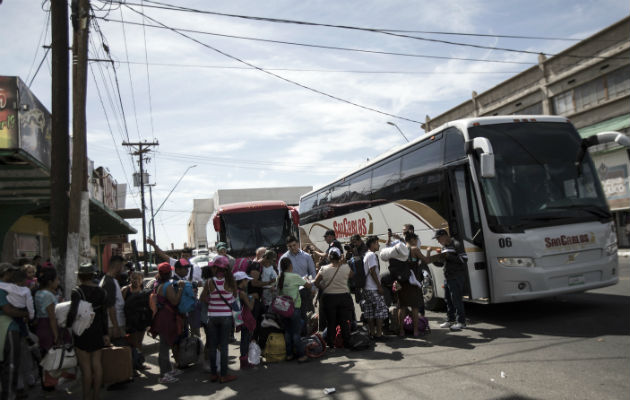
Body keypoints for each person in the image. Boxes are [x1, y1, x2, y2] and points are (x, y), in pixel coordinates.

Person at [66, 263, 109, 400]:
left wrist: (66, 326)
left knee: (86, 369)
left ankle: (86, 397)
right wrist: (105, 333)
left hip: (82, 331)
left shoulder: (77, 291)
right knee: (97, 365)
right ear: (93, 275)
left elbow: (72, 313)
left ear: (80, 276)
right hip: (97, 330)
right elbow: (104, 314)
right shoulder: (102, 291)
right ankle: (96, 396)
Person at [200, 256, 237, 384]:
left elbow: (202, 298)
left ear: (216, 268)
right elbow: (234, 298)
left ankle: (214, 374)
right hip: (226, 317)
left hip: (212, 317)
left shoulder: (209, 282)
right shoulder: (231, 281)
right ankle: (224, 374)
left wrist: (212, 301)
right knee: (224, 346)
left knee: (213, 346)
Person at [150, 262, 186, 384]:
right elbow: (175, 301)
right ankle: (163, 375)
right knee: (164, 347)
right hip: (165, 319)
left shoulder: (157, 284)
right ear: (169, 273)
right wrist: (181, 289)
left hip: (163, 318)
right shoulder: (167, 286)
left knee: (167, 345)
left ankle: (168, 370)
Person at [313, 247, 354, 349]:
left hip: (329, 297)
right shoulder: (346, 267)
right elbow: (352, 275)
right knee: (344, 321)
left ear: (329, 258)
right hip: (344, 296)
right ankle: (347, 342)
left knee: (331, 322)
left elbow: (316, 282)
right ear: (340, 256)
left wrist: (323, 286)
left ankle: (330, 343)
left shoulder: (324, 269)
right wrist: (343, 263)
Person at [429, 229, 468, 331]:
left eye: (438, 238)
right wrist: (436, 259)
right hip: (448, 276)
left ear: (445, 236)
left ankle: (461, 322)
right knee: (448, 300)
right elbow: (442, 264)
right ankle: (450, 320)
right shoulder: (444, 247)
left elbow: (464, 259)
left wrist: (448, 256)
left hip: (456, 276)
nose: (438, 241)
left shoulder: (456, 244)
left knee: (456, 299)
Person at [0, 263, 29, 400]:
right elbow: (8, 309)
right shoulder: (2, 289)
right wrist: (25, 313)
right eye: (11, 273)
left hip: (10, 328)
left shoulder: (11, 288)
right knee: (10, 363)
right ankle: (9, 395)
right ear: (6, 273)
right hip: (8, 328)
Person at [277, 258, 311, 363]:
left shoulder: (279, 277)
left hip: (283, 309)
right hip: (294, 308)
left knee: (288, 331)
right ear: (290, 265)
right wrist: (307, 279)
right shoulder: (295, 277)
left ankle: (289, 354)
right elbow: (308, 285)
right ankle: (301, 355)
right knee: (296, 332)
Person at [393, 232, 427, 337]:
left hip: (401, 281)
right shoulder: (414, 249)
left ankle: (401, 331)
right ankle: (416, 331)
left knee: (401, 307)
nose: (416, 242)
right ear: (412, 240)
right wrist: (429, 252)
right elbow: (426, 260)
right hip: (413, 282)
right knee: (415, 308)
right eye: (416, 240)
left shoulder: (399, 249)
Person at [362, 236, 388, 340]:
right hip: (373, 288)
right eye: (377, 243)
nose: (379, 245)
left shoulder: (366, 255)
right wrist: (379, 286)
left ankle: (372, 333)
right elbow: (372, 271)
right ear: (372, 244)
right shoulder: (372, 255)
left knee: (369, 311)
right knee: (380, 309)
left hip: (366, 288)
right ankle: (379, 334)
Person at [233, 271, 256, 369]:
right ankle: (244, 361)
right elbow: (250, 307)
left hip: (238, 318)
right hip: (246, 319)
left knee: (244, 339)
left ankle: (244, 360)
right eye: (246, 280)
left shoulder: (234, 291)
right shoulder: (242, 293)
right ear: (242, 281)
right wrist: (253, 299)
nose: (247, 282)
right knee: (245, 340)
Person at [100, 255, 126, 340]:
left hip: (114, 323)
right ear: (118, 266)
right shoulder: (109, 282)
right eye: (123, 266)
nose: (123, 269)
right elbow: (111, 307)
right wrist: (115, 327)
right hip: (113, 324)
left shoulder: (109, 280)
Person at [121, 271, 147, 350]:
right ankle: (135, 359)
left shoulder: (144, 290)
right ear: (130, 279)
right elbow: (120, 306)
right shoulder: (125, 290)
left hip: (141, 321)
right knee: (134, 343)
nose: (136, 280)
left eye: (139, 279)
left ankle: (138, 359)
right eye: (134, 278)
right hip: (130, 322)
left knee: (139, 342)